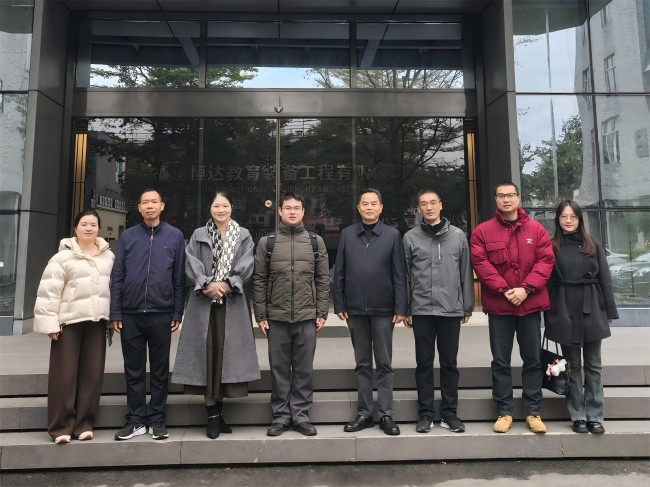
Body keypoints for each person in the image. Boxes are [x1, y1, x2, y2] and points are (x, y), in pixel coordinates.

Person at [172, 192, 261, 439]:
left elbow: (247, 264)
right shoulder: (199, 234)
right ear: (210, 208)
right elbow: (190, 264)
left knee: (224, 356)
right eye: (216, 205)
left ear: (232, 207)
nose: (220, 210)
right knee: (206, 356)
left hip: (231, 302)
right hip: (204, 303)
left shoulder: (243, 235)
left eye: (225, 205)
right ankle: (212, 415)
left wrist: (228, 284)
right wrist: (207, 284)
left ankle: (219, 414)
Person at [470, 181, 555, 434]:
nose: (506, 199)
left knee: (533, 360)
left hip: (530, 306)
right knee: (500, 361)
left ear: (518, 198)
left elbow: (546, 261)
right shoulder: (482, 231)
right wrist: (505, 290)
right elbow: (480, 264)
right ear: (495, 200)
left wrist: (526, 289)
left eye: (510, 195)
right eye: (501, 196)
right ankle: (504, 412)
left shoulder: (536, 230)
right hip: (500, 307)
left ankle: (533, 411)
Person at [110, 188, 186, 441]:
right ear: (140, 208)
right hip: (130, 314)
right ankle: (135, 420)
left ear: (162, 206)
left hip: (161, 313)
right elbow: (118, 275)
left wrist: (177, 311)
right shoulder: (128, 236)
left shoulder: (175, 236)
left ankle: (156, 418)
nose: (150, 206)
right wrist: (116, 311)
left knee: (160, 369)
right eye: (145, 202)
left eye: (154, 202)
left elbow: (179, 278)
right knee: (133, 369)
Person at [252, 192, 330, 437]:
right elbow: (259, 280)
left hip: (307, 317)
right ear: (280, 211)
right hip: (277, 318)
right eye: (288, 208)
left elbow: (323, 279)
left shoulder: (316, 242)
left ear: (303, 212)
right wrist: (261, 315)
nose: (292, 212)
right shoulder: (267, 243)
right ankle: (281, 416)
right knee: (279, 370)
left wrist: (321, 312)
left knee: (304, 370)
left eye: (297, 208)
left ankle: (301, 415)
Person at [34, 209, 114, 444]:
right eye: (84, 224)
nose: (89, 228)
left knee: (92, 375)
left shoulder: (109, 257)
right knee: (64, 375)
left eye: (93, 224)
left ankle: (84, 425)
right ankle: (61, 427)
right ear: (76, 228)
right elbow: (48, 291)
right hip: (68, 323)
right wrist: (50, 323)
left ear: (99, 228)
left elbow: (115, 289)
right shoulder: (62, 258)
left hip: (97, 322)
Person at [333, 189, 408, 436]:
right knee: (362, 363)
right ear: (358, 208)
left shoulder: (392, 235)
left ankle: (386, 414)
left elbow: (399, 273)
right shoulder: (347, 234)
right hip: (355, 309)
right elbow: (340, 271)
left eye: (373, 203)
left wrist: (401, 307)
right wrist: (339, 303)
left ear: (381, 208)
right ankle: (364, 413)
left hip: (384, 310)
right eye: (365, 204)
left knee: (384, 364)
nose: (369, 207)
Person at [544, 200, 618, 434]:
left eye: (573, 216)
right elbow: (547, 282)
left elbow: (605, 278)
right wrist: (549, 312)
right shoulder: (551, 246)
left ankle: (595, 415)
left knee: (594, 364)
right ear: (557, 219)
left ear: (579, 219)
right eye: (564, 216)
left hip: (592, 306)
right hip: (564, 308)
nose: (568, 220)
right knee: (573, 365)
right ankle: (578, 415)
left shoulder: (592, 244)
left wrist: (610, 311)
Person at [403, 189, 474, 434]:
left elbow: (465, 271)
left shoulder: (457, 236)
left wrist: (466, 305)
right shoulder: (410, 237)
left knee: (449, 363)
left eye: (433, 203)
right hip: (421, 309)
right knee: (423, 363)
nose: (429, 207)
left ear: (441, 205)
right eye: (424, 204)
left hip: (450, 309)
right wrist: (406, 308)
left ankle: (450, 414)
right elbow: (405, 276)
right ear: (419, 209)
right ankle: (425, 414)